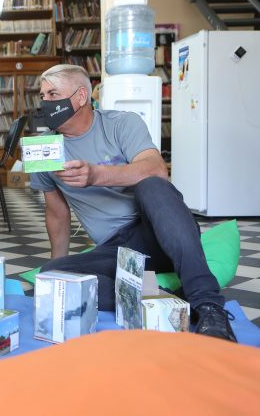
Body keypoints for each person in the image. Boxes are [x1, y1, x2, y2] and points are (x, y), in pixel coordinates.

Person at [31, 64, 236, 342]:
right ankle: (163, 303)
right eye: (42, 95)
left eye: (53, 94)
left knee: (153, 186)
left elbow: (156, 169)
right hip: (116, 250)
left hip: (159, 234)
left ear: (80, 97)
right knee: (52, 274)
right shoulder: (45, 149)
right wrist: (57, 275)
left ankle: (209, 306)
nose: (45, 102)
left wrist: (96, 174)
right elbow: (57, 214)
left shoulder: (122, 123)